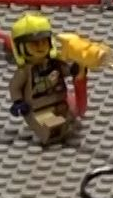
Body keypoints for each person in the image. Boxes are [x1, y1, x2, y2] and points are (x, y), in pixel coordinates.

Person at [8, 13, 79, 146]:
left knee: (68, 120)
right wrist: (18, 102)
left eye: (44, 42)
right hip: (37, 108)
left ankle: (62, 133)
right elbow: (15, 87)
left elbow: (67, 72)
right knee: (50, 127)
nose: (40, 46)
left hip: (60, 101)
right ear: (21, 47)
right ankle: (51, 137)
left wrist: (76, 69)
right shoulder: (25, 71)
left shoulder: (56, 63)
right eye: (34, 44)